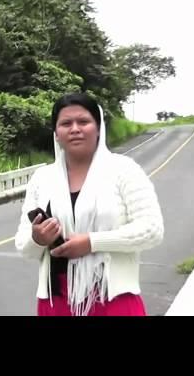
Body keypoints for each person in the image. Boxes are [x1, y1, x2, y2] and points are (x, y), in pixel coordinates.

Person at [14, 92, 164, 316]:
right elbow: (24, 246)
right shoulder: (42, 178)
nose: (75, 129)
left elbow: (152, 230)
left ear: (98, 127)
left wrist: (92, 242)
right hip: (57, 301)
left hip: (113, 299)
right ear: (56, 133)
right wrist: (38, 238)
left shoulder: (124, 170)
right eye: (65, 123)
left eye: (83, 121)